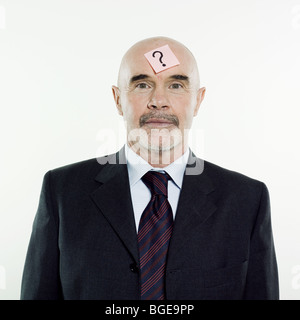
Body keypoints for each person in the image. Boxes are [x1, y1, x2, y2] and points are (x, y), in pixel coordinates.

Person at [21, 36, 279, 300]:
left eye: (176, 85)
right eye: (143, 84)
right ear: (118, 99)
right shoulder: (62, 192)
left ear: (198, 100)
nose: (159, 100)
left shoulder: (247, 199)